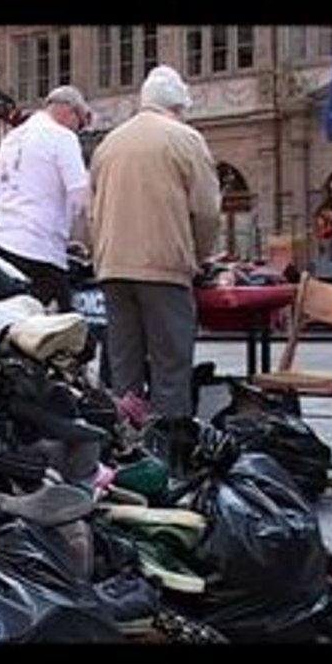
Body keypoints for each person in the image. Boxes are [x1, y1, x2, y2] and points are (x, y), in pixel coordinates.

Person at [89, 65, 221, 419]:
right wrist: (199, 256)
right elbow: (207, 211)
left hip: (113, 266)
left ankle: (128, 451)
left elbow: (90, 212)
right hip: (163, 267)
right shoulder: (185, 138)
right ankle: (170, 450)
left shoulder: (109, 143)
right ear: (177, 107)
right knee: (170, 368)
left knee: (124, 370)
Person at [0, 85, 93, 311]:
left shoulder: (10, 139)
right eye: (80, 124)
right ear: (69, 111)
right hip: (40, 250)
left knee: (14, 324)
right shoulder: (62, 137)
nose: (78, 131)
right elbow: (82, 197)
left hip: (4, 242)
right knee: (66, 330)